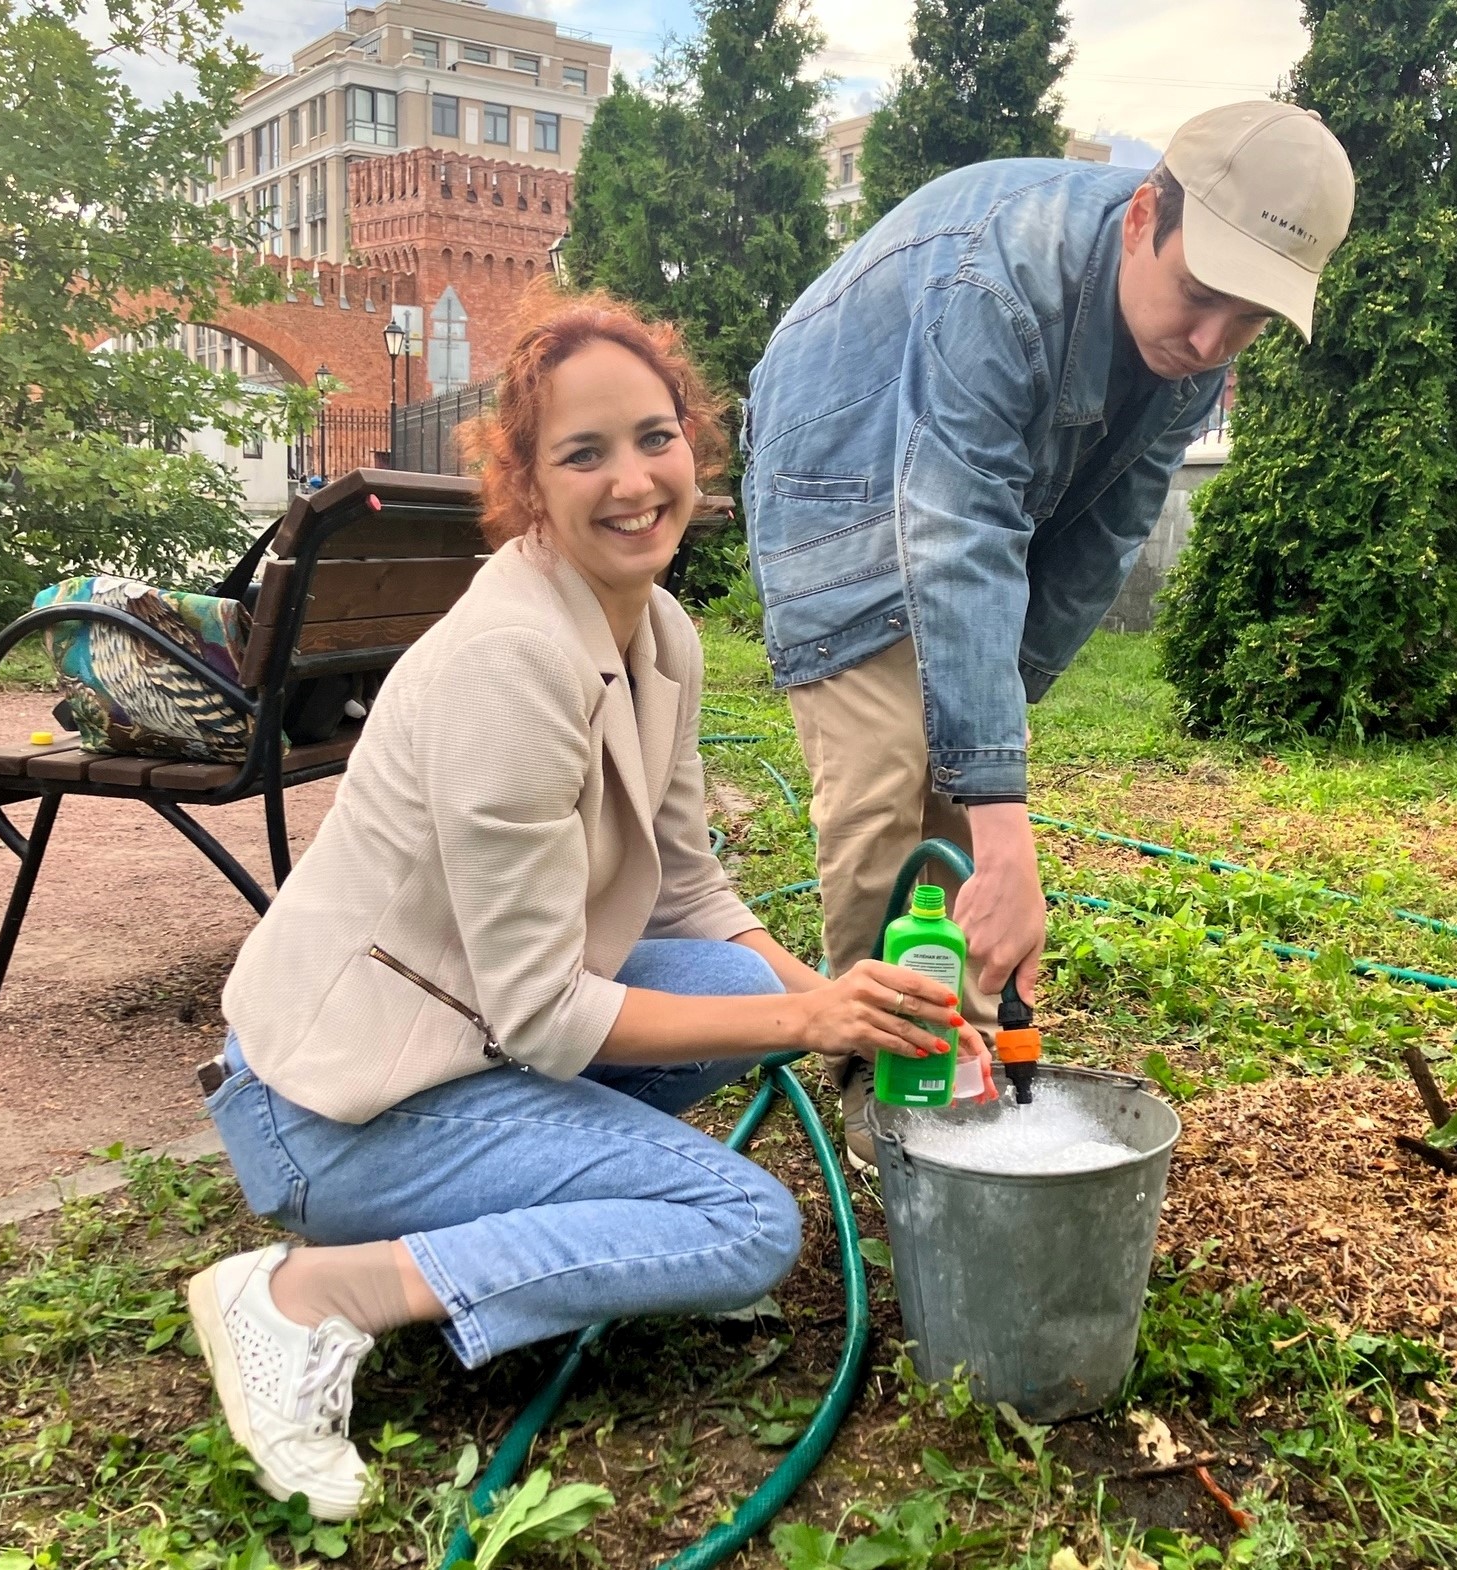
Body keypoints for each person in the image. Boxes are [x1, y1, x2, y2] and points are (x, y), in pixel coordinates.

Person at [186, 287, 985, 1522]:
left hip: (462, 1042)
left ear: (694, 445)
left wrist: (825, 993)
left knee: (734, 980)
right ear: (529, 483)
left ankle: (574, 1216)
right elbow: (549, 1017)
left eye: (654, 437)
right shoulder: (509, 660)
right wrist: (812, 1023)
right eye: (584, 453)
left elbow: (686, 881)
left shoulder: (658, 630)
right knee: (741, 1225)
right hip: (331, 1109)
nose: (632, 480)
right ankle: (304, 1295)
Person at [741, 100, 1356, 1167]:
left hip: (952, 499)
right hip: (833, 458)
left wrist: (992, 750)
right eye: (1202, 295)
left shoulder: (1192, 356)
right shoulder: (1001, 276)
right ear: (1142, 218)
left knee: (959, 775)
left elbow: (1103, 539)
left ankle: (961, 1046)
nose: (1214, 342)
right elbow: (957, 527)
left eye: (1248, 318)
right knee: (888, 773)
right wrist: (1005, 823)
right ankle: (876, 1085)